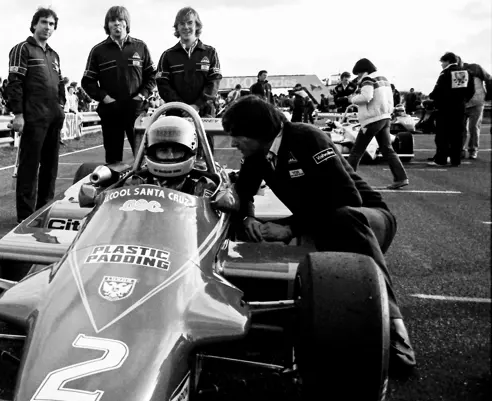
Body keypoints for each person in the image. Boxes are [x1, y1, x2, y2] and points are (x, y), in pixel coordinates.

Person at [222, 95, 415, 376]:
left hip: (368, 219)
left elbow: (346, 196)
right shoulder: (257, 155)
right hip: (323, 222)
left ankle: (395, 328)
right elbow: (242, 192)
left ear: (257, 131)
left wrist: (289, 227)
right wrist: (247, 215)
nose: (233, 143)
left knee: (342, 218)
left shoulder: (306, 137)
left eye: (236, 136)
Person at [7, 7, 67, 223]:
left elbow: (60, 85)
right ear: (34, 24)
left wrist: (61, 108)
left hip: (53, 118)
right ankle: (26, 216)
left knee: (50, 168)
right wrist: (18, 114)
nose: (47, 27)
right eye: (44, 22)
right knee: (29, 168)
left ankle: (45, 210)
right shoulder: (21, 49)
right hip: (32, 117)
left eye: (51, 24)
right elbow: (14, 84)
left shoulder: (54, 54)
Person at [82, 6, 157, 165]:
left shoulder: (140, 46)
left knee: (143, 157)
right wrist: (105, 98)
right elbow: (87, 81)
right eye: (112, 20)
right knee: (113, 161)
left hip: (136, 110)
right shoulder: (98, 50)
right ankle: (114, 188)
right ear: (107, 25)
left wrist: (141, 95)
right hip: (111, 111)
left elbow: (152, 75)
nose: (117, 24)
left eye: (120, 20)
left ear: (126, 23)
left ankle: (144, 187)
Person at [346, 58, 409, 189]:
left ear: (362, 71)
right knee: (387, 149)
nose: (357, 76)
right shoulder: (384, 79)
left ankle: (347, 180)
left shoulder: (367, 79)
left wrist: (352, 99)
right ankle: (401, 177)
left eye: (357, 73)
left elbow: (366, 97)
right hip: (385, 117)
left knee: (357, 151)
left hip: (372, 119)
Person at [125, 116, 216, 197]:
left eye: (177, 151)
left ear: (189, 152)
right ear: (152, 153)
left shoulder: (202, 185)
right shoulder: (137, 183)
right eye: (163, 151)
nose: (170, 156)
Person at [156, 6, 220, 118]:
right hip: (176, 114)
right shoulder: (167, 55)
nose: (186, 27)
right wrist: (182, 107)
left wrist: (197, 105)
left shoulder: (210, 52)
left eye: (190, 23)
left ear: (197, 25)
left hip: (204, 114)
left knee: (204, 137)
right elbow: (163, 85)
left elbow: (214, 82)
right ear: (177, 27)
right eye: (182, 23)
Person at [428, 52, 473, 167]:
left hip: (444, 109)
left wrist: (431, 97)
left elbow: (438, 91)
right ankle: (455, 160)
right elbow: (470, 90)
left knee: (442, 135)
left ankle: (441, 159)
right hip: (459, 108)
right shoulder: (465, 72)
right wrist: (463, 100)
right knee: (457, 134)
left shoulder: (445, 73)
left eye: (442, 62)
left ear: (447, 61)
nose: (442, 65)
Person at [461, 59, 490, 160]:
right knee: (461, 128)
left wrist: (489, 94)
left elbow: (488, 78)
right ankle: (460, 150)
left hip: (476, 101)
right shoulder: (455, 70)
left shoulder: (475, 68)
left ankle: (473, 150)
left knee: (473, 127)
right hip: (463, 103)